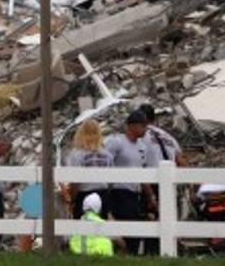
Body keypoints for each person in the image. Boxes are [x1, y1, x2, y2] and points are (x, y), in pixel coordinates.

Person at [104, 110, 152, 255]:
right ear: (131, 126)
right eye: (142, 126)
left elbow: (143, 172)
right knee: (124, 228)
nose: (145, 129)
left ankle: (130, 256)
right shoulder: (117, 142)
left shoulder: (142, 147)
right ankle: (122, 254)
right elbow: (105, 162)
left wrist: (150, 197)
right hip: (119, 191)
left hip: (135, 193)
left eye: (146, 126)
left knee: (136, 229)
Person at [137, 104, 182, 256]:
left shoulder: (141, 135)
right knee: (168, 220)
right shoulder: (168, 137)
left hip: (151, 183)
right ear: (154, 118)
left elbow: (139, 159)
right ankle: (168, 252)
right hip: (170, 185)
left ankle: (151, 253)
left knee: (151, 218)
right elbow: (181, 162)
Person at [65, 120, 113, 219]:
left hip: (84, 195)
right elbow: (111, 180)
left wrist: (72, 199)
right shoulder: (107, 155)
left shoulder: (76, 154)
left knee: (83, 231)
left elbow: (75, 181)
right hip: (102, 195)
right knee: (101, 230)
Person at [68, 192, 124, 257]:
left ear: (83, 209)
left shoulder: (74, 226)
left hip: (78, 259)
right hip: (104, 261)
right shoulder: (104, 225)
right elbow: (122, 244)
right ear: (99, 210)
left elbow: (65, 242)